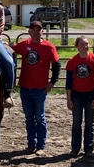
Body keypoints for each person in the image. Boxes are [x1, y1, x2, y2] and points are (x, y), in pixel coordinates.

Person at [12, 21, 61, 154]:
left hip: (40, 89)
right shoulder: (24, 44)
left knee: (39, 117)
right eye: (33, 29)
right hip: (25, 87)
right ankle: (31, 143)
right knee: (29, 117)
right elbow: (13, 49)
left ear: (42, 32)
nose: (35, 32)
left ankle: (41, 145)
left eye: (38, 30)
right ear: (29, 31)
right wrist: (6, 44)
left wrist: (52, 82)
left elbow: (57, 64)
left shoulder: (49, 47)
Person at [66, 36, 94, 157]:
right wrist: (69, 99)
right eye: (82, 44)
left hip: (91, 94)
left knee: (89, 122)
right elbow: (68, 82)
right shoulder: (72, 61)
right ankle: (75, 148)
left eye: (86, 44)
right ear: (76, 46)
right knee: (76, 122)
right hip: (76, 94)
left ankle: (89, 148)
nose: (85, 46)